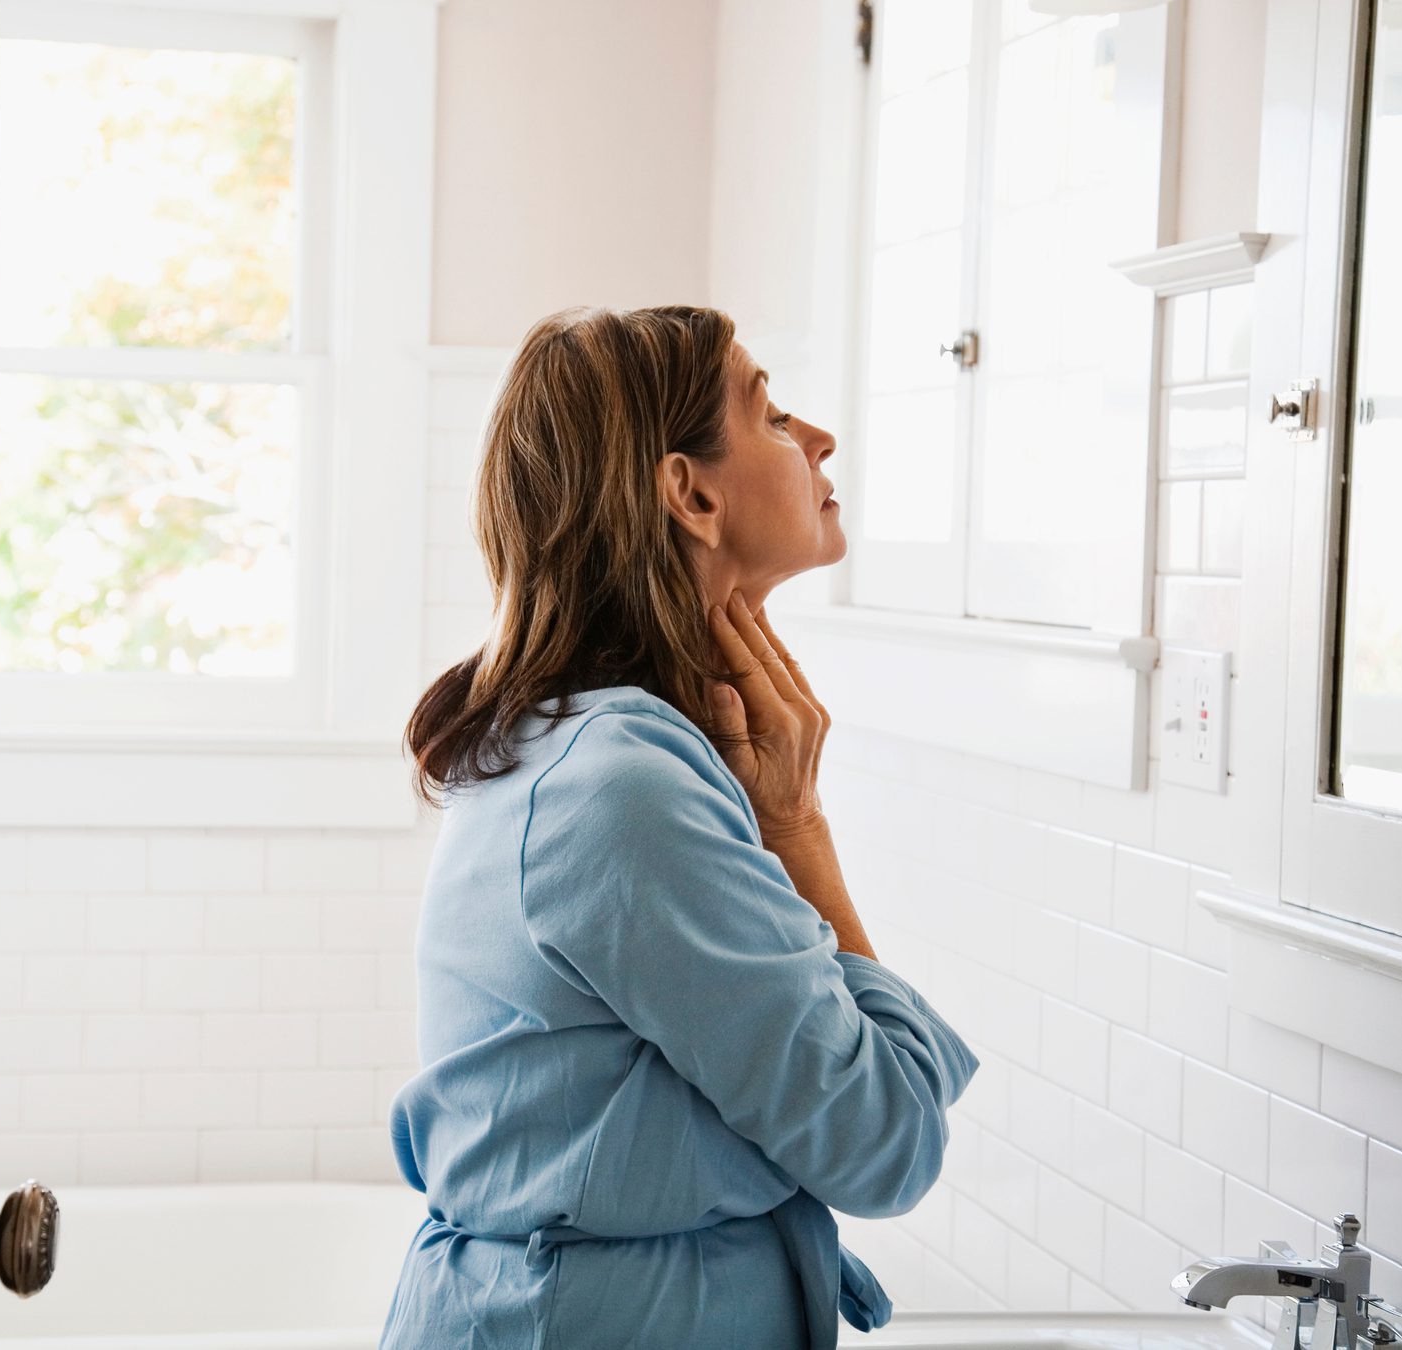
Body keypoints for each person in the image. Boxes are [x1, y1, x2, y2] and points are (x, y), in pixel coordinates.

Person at [380, 305, 978, 1348]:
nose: (820, 438)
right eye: (774, 413)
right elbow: (884, 1139)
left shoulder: (577, 743)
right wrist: (796, 828)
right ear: (689, 491)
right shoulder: (622, 789)